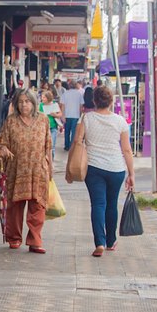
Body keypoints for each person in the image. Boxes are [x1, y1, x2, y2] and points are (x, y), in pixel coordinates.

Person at [66, 86, 135, 257]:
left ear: (94, 101)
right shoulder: (120, 121)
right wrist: (131, 174)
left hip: (94, 168)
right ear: (111, 101)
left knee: (98, 204)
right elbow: (127, 150)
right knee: (111, 204)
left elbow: (76, 141)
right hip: (116, 169)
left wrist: (69, 167)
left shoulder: (86, 118)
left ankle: (100, 243)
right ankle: (111, 241)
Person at [0, 88, 52, 254]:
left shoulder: (43, 120)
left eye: (27, 101)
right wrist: (3, 149)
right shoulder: (11, 121)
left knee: (38, 207)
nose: (24, 105)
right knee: (15, 207)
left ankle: (35, 240)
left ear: (33, 103)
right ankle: (14, 237)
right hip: (16, 170)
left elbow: (48, 147)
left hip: (38, 171)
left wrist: (50, 171)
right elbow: (0, 143)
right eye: (20, 102)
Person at [60, 81, 85, 150]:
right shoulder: (79, 94)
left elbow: (62, 106)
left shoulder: (65, 94)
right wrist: (80, 115)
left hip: (67, 115)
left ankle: (66, 146)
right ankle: (71, 146)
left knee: (67, 132)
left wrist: (62, 115)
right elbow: (81, 106)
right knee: (74, 132)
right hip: (76, 116)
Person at [39, 90, 63, 159]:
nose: (42, 99)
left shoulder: (55, 105)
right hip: (43, 128)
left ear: (48, 98)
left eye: (44, 97)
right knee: (43, 145)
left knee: (52, 145)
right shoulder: (40, 105)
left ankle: (51, 159)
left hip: (53, 127)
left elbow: (60, 114)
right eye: (42, 97)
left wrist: (55, 115)